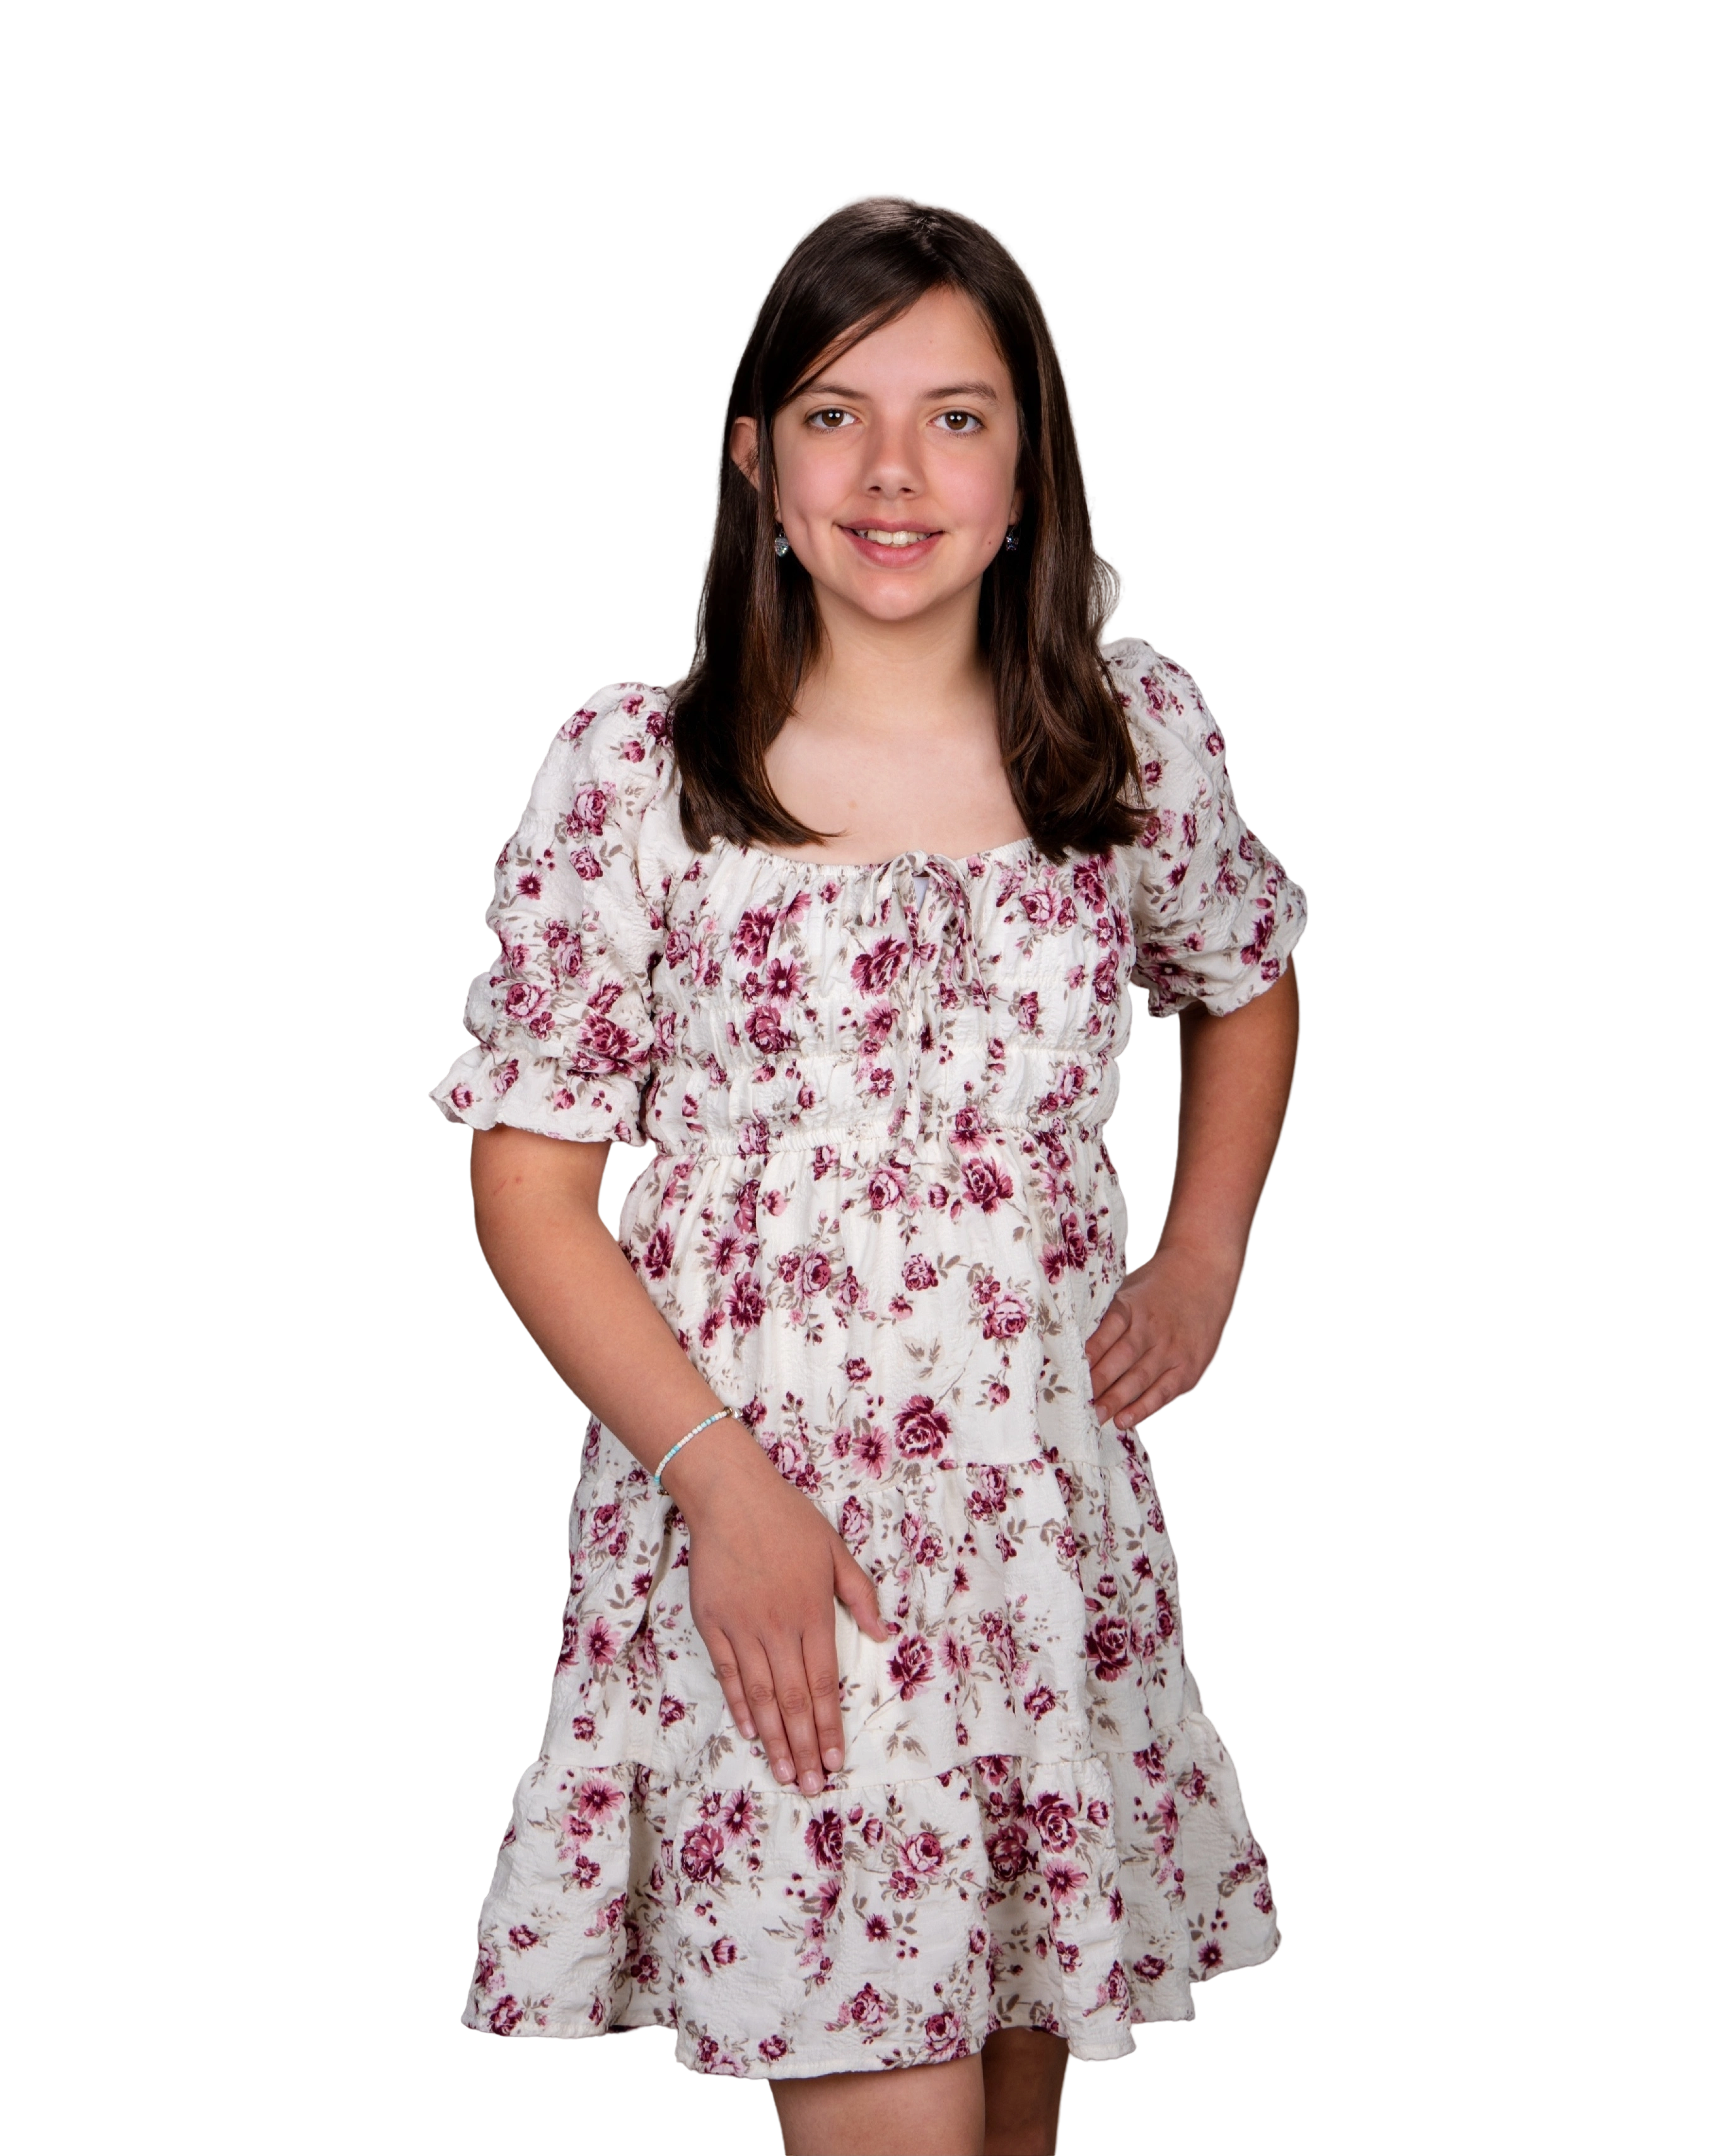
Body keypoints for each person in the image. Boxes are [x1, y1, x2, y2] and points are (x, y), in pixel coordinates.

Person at [426, 188, 1308, 2156]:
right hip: (773, 1534)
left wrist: (1202, 1256)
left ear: (1033, 465)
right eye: (836, 414)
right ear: (754, 458)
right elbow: (530, 1187)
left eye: (956, 417)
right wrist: (721, 1491)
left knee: (1008, 2106)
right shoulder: (639, 771)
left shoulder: (1129, 736)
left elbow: (1245, 981)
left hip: (1038, 1532)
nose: (894, 472)